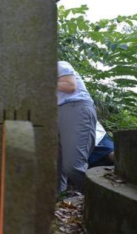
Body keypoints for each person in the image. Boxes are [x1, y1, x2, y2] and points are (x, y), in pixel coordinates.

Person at [57, 61, 97, 193]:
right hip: (56, 113)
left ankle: (102, 198)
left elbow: (70, 86)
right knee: (55, 166)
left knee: (73, 166)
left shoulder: (59, 65)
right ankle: (59, 200)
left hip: (75, 107)